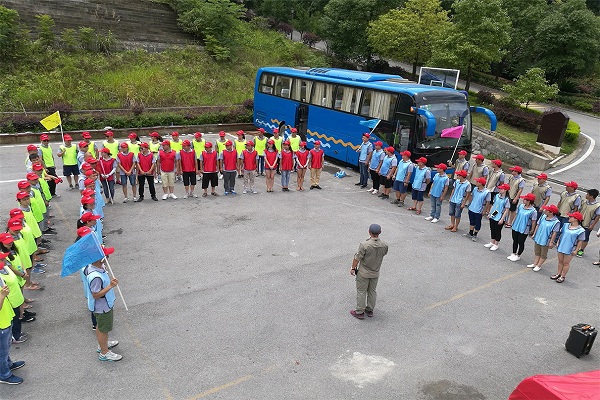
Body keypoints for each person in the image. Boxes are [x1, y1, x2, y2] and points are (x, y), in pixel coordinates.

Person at [83, 246, 122, 361]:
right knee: (103, 329)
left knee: (100, 327)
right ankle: (104, 352)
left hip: (101, 306)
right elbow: (96, 294)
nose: (107, 256)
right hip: (103, 307)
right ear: (99, 259)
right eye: (105, 255)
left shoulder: (93, 267)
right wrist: (111, 286)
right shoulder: (95, 277)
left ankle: (102, 344)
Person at [350, 224, 389, 320]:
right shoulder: (384, 245)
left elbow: (357, 258)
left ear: (369, 232)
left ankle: (359, 311)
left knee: (361, 291)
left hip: (364, 272)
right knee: (372, 291)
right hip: (375, 272)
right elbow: (383, 254)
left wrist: (352, 268)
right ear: (380, 232)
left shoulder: (365, 244)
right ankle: (370, 309)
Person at [0, 272, 25, 384]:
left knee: (6, 348)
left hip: (6, 318)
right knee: (2, 352)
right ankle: (4, 375)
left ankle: (8, 364)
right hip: (1, 324)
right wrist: (2, 295)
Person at [553, 212, 585, 283]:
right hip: (562, 246)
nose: (569, 218)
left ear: (576, 219)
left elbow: (580, 241)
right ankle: (558, 273)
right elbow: (561, 234)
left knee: (566, 263)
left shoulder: (581, 230)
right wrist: (558, 242)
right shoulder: (565, 225)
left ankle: (563, 276)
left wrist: (576, 250)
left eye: (571, 217)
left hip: (570, 248)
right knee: (560, 261)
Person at [529, 204, 560, 272]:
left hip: (546, 240)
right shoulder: (543, 216)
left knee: (543, 253)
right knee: (537, 251)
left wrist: (551, 242)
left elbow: (554, 233)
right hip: (539, 237)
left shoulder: (556, 222)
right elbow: (538, 225)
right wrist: (534, 234)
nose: (545, 210)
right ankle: (535, 263)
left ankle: (539, 265)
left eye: (546, 210)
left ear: (551, 212)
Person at [507, 193, 537, 262]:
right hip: (516, 226)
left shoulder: (533, 211)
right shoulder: (520, 206)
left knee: (521, 242)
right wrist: (513, 222)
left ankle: (518, 255)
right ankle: (513, 253)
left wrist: (532, 229)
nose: (523, 200)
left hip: (524, 228)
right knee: (515, 240)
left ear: (529, 201)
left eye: (525, 199)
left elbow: (533, 221)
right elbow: (516, 215)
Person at [484, 183, 511, 251]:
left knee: (497, 230)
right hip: (494, 214)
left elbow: (506, 210)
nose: (499, 189)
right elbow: (493, 205)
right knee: (492, 228)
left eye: (501, 188)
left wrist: (502, 219)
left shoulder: (506, 199)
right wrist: (490, 213)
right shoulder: (496, 196)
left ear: (505, 190)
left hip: (500, 216)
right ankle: (492, 242)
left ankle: (496, 244)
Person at [464, 177, 491, 242]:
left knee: (478, 223)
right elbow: (472, 197)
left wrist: (484, 210)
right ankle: (470, 232)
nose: (476, 182)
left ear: (481, 183)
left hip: (479, 210)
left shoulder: (487, 192)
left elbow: (488, 202)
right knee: (471, 221)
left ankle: (475, 234)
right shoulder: (475, 189)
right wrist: (469, 204)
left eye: (477, 182)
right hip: (472, 208)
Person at [576, 189, 599, 258]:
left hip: (588, 224)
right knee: (577, 235)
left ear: (591, 196)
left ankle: (581, 250)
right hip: (580, 222)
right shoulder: (584, 201)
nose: (586, 195)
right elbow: (579, 210)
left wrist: (592, 225)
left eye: (587, 194)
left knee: (585, 238)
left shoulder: (597, 206)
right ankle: (575, 247)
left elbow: (597, 216)